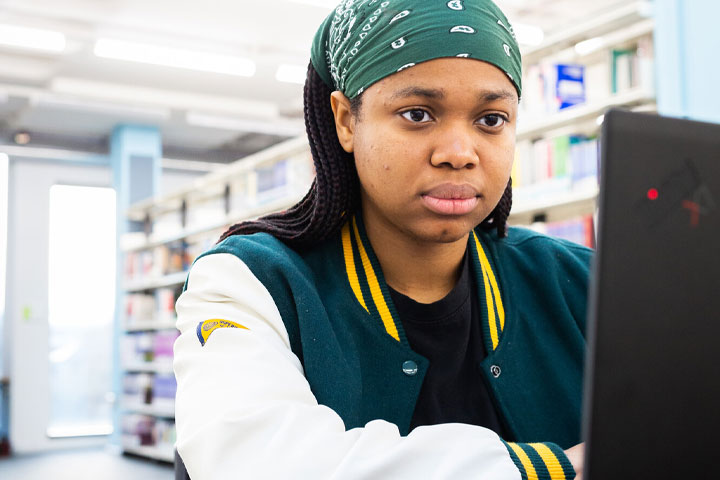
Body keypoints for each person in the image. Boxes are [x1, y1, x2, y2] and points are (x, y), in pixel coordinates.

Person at [173, 1, 590, 478]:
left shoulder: (584, 281)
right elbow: (258, 459)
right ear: (347, 121)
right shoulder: (250, 282)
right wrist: (555, 466)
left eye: (491, 120)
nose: (459, 153)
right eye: (417, 114)